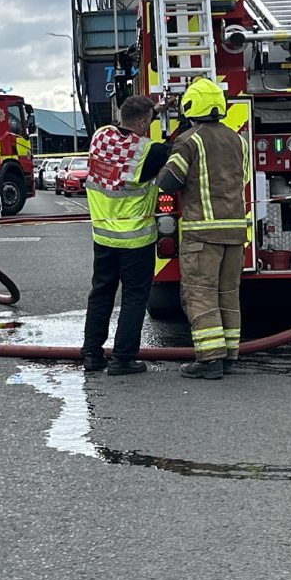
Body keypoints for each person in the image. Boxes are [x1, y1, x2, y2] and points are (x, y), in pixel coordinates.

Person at [156, 78, 249, 379]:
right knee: (228, 293)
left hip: (203, 233)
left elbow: (168, 182)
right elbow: (242, 177)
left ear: (190, 107)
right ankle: (229, 356)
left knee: (201, 294)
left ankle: (209, 360)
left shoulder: (189, 140)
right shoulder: (237, 139)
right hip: (235, 231)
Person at [81, 94, 170, 376]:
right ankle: (122, 359)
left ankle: (92, 354)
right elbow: (176, 148)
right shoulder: (150, 152)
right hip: (135, 240)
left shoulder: (100, 137)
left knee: (101, 294)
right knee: (133, 298)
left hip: (103, 236)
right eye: (150, 121)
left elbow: (125, 127)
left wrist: (155, 109)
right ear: (144, 122)